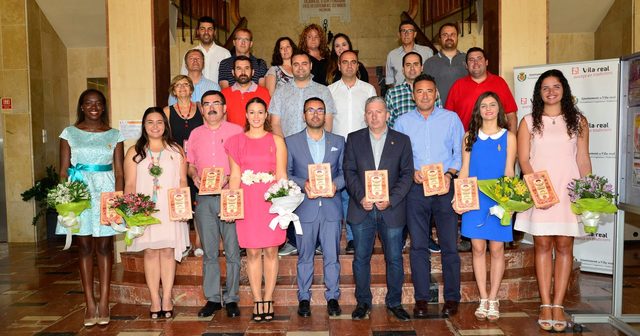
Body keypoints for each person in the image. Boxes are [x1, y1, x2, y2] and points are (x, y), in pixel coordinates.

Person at [514, 69, 591, 332]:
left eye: (556, 86)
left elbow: (582, 157)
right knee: (543, 245)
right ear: (539, 93)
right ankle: (545, 304)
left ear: (564, 90)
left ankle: (558, 305)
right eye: (545, 87)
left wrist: (588, 191)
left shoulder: (578, 121)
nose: (551, 91)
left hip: (568, 190)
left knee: (565, 246)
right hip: (541, 191)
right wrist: (538, 190)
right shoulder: (528, 121)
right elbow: (523, 159)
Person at [394, 74, 464, 318]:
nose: (424, 95)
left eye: (429, 91)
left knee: (449, 246)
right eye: (419, 91)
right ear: (413, 95)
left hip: (445, 188)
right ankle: (422, 298)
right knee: (418, 246)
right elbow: (398, 158)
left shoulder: (451, 119)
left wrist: (450, 174)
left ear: (436, 94)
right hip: (416, 190)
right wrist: (411, 172)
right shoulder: (402, 122)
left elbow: (459, 154)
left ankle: (453, 298)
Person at [343, 96, 414, 321]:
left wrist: (391, 199)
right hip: (361, 208)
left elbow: (406, 174)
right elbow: (349, 171)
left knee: (394, 258)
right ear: (365, 116)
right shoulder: (353, 139)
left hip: (391, 210)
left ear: (387, 114)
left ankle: (394, 302)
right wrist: (361, 196)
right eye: (370, 112)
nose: (374, 116)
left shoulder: (401, 140)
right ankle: (363, 302)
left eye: (379, 112)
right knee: (360, 258)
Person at [58, 89, 124, 327]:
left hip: (106, 191)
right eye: (88, 103)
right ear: (82, 107)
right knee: (84, 246)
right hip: (80, 191)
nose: (94, 107)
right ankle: (90, 302)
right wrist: (65, 199)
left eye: (98, 103)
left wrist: (117, 200)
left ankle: (105, 301)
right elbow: (64, 170)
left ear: (104, 107)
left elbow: (119, 172)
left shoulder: (115, 134)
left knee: (105, 246)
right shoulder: (69, 133)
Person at [454, 92, 517, 322]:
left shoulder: (509, 137)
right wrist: (458, 196)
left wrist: (508, 202)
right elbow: (464, 169)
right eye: (483, 105)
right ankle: (482, 298)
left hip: (499, 199)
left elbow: (510, 171)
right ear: (478, 110)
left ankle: (494, 298)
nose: (488, 109)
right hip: (475, 199)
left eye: (492, 105)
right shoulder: (469, 136)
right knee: (478, 249)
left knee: (497, 249)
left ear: (499, 109)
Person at [225, 97, 288, 322]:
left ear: (266, 115)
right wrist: (232, 205)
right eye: (252, 112)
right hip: (248, 201)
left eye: (260, 112)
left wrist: (283, 203)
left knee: (271, 250)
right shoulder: (235, 141)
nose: (256, 116)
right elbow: (234, 175)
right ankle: (256, 299)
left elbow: (281, 175)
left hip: (270, 201)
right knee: (252, 252)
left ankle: (268, 298)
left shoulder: (277, 141)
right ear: (246, 115)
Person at [123, 107, 190, 320]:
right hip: (144, 210)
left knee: (168, 252)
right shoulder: (134, 151)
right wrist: (130, 212)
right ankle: (154, 299)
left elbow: (182, 181)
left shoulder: (175, 150)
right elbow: (130, 184)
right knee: (151, 252)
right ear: (144, 126)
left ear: (165, 125)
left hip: (170, 208)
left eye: (159, 122)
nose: (155, 126)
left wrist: (183, 208)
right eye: (150, 122)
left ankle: (168, 297)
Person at [270, 50, 336, 255]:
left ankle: (316, 241)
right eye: (295, 64)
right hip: (290, 150)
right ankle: (292, 239)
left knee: (314, 195)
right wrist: (285, 149)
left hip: (317, 149)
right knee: (291, 191)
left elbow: (329, 122)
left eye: (304, 63)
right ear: (291, 66)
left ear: (310, 66)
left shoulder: (323, 90)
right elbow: (275, 123)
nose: (300, 67)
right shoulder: (281, 91)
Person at [186, 90, 243, 318]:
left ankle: (231, 298)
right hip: (205, 198)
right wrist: (193, 176)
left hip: (229, 196)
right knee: (209, 251)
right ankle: (212, 298)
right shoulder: (195, 134)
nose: (211, 107)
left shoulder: (237, 131)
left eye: (216, 103)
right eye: (206, 104)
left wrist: (231, 179)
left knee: (232, 251)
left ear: (224, 107)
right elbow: (190, 164)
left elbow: (243, 163)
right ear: (201, 109)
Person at [286, 97, 345, 318]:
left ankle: (332, 297)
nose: (315, 114)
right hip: (305, 208)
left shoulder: (338, 141)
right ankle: (303, 297)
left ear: (325, 114)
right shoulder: (291, 142)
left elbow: (344, 173)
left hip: (331, 207)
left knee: (332, 256)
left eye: (320, 110)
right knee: (305, 256)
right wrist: (304, 184)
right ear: (303, 115)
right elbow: (288, 173)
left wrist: (335, 185)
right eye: (310, 110)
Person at [328, 50, 376, 253]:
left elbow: (375, 118)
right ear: (338, 66)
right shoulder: (329, 90)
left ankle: (366, 235)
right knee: (345, 192)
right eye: (345, 62)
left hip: (363, 147)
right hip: (337, 147)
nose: (349, 66)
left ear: (358, 66)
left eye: (353, 62)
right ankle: (351, 237)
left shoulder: (368, 89)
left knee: (364, 190)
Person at [164, 75, 204, 258]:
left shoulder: (201, 109)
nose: (182, 88)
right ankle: (182, 242)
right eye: (178, 85)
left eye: (185, 85)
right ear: (173, 90)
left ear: (191, 88)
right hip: (176, 161)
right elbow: (164, 138)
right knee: (180, 201)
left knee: (198, 202)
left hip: (198, 161)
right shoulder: (167, 111)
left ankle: (198, 243)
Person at [445, 47, 517, 133]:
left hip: (496, 141)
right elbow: (447, 118)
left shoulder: (500, 83)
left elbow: (511, 116)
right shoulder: (457, 86)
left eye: (479, 59)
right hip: (465, 141)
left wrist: (512, 141)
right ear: (466, 65)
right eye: (471, 60)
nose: (476, 63)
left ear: (486, 62)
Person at [423, 23, 467, 106]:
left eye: (452, 34)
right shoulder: (429, 63)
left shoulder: (468, 59)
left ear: (457, 37)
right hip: (439, 112)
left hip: (464, 111)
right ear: (439, 39)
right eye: (445, 35)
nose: (449, 37)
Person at [221, 55, 271, 127]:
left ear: (253, 72)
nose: (243, 72)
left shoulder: (264, 93)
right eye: (239, 68)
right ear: (233, 72)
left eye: (246, 68)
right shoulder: (224, 94)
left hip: (256, 137)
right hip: (232, 137)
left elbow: (268, 120)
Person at [180, 16, 230, 84]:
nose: (206, 32)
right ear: (198, 32)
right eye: (202, 29)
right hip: (195, 94)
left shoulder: (225, 54)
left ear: (214, 32)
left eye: (210, 29)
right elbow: (184, 78)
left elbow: (229, 81)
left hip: (217, 94)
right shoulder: (189, 54)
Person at [385, 20, 433, 88]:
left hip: (422, 95)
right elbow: (389, 80)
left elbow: (432, 75)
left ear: (415, 34)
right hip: (400, 95)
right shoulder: (392, 55)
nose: (406, 34)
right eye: (403, 31)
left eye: (410, 31)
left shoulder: (427, 52)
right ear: (399, 34)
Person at [385, 52, 423, 127]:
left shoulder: (431, 91)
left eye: (415, 64)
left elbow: (438, 118)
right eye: (408, 65)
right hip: (401, 137)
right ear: (403, 69)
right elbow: (388, 124)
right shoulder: (392, 93)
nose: (412, 68)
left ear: (422, 68)